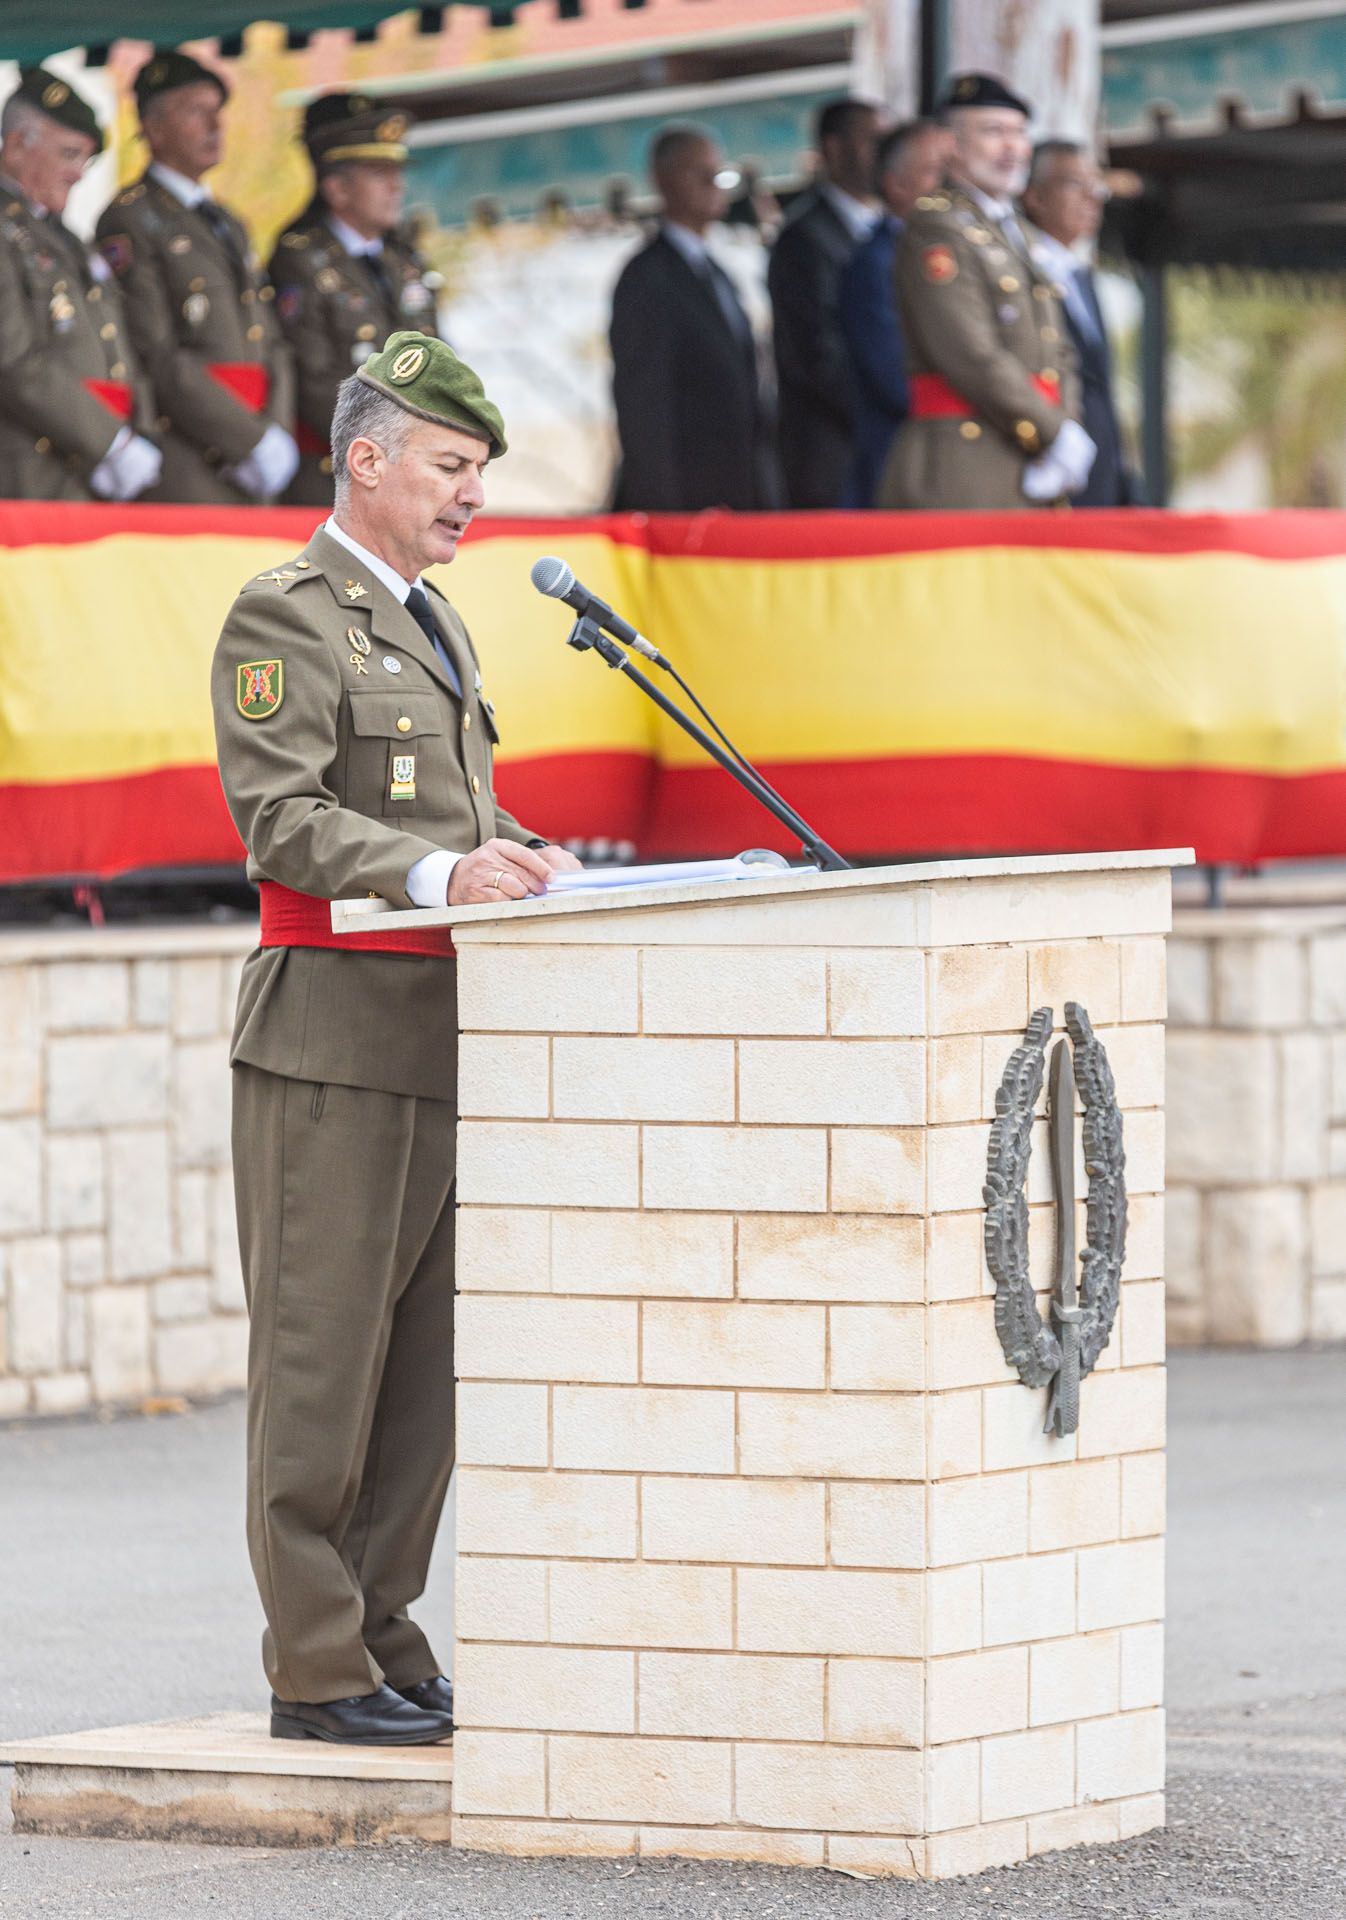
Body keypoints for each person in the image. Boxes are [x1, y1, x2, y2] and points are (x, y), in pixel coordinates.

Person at [211, 331, 581, 1745]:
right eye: (445, 466)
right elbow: (283, 816)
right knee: (320, 1360)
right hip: (330, 1040)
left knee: (420, 1372)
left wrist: (514, 851)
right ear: (364, 460)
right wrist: (440, 874)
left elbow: (448, 815)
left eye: (478, 472)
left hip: (439, 1028)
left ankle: (383, 1625)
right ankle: (314, 1664)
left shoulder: (435, 619)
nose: (468, 496)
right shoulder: (286, 613)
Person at [878, 73, 1094, 512]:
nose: (1012, 149)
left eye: (1019, 133)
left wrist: (1065, 427)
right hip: (963, 464)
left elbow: (1060, 351)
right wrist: (1053, 432)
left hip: (1024, 457)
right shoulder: (936, 226)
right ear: (948, 145)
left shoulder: (1014, 233)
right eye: (994, 133)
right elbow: (967, 351)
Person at [95, 50, 297, 505]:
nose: (215, 125)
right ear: (153, 126)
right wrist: (247, 440)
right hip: (189, 463)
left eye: (216, 111)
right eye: (195, 112)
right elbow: (153, 351)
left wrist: (276, 434)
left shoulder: (227, 221)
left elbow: (270, 340)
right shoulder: (131, 220)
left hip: (258, 457)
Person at [269, 93, 443, 506]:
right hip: (339, 479)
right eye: (379, 171)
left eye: (397, 170)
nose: (396, 184)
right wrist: (395, 444)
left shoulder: (404, 259)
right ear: (337, 187)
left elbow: (438, 360)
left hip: (409, 472)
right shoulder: (299, 259)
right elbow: (313, 383)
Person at [0, 68, 160, 502]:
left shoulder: (60, 236)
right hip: (32, 475)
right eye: (68, 154)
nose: (78, 174)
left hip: (86, 470)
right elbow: (12, 360)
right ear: (16, 145)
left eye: (85, 160)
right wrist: (110, 442)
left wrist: (136, 433)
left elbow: (118, 342)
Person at [609, 123, 780, 512]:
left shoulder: (717, 271)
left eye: (717, 173)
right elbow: (644, 406)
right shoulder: (646, 277)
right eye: (698, 172)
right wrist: (664, 512)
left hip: (741, 491)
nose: (713, 183)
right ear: (663, 181)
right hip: (688, 499)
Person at [768, 97, 880, 509]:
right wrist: (889, 411)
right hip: (832, 462)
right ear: (834, 149)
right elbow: (817, 357)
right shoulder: (804, 238)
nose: (882, 156)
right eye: (872, 141)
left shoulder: (888, 231)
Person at [837, 118, 952, 507]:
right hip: (906, 469)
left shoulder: (949, 252)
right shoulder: (877, 262)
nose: (948, 187)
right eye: (935, 172)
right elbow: (896, 379)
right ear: (896, 184)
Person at [1022, 139, 1141, 507]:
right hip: (1046, 468)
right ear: (1035, 197)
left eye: (1097, 185)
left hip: (1099, 472)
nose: (1093, 197)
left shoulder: (1082, 277)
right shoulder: (1019, 268)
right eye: (1075, 183)